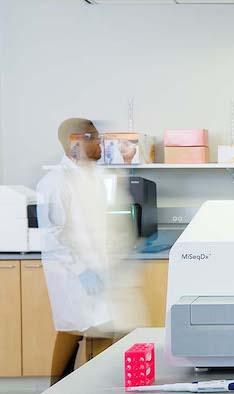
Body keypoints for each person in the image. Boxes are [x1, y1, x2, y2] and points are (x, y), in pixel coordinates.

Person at [37, 118, 113, 383]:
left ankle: (89, 385)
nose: (100, 143)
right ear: (75, 142)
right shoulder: (55, 182)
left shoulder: (92, 179)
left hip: (95, 266)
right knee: (73, 329)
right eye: (94, 138)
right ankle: (57, 387)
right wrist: (82, 271)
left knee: (98, 328)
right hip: (71, 272)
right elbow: (54, 235)